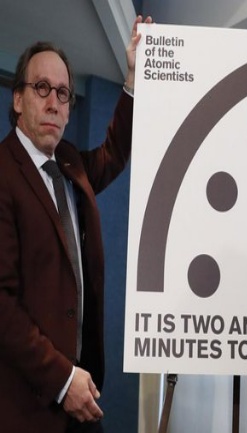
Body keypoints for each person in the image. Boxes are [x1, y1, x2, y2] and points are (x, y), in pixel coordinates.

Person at [0, 15, 151, 433]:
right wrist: (62, 380)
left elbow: (114, 152)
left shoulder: (68, 162)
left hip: (82, 396)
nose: (54, 102)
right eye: (42, 88)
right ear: (18, 100)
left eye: (63, 93)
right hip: (27, 406)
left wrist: (133, 79)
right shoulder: (3, 174)